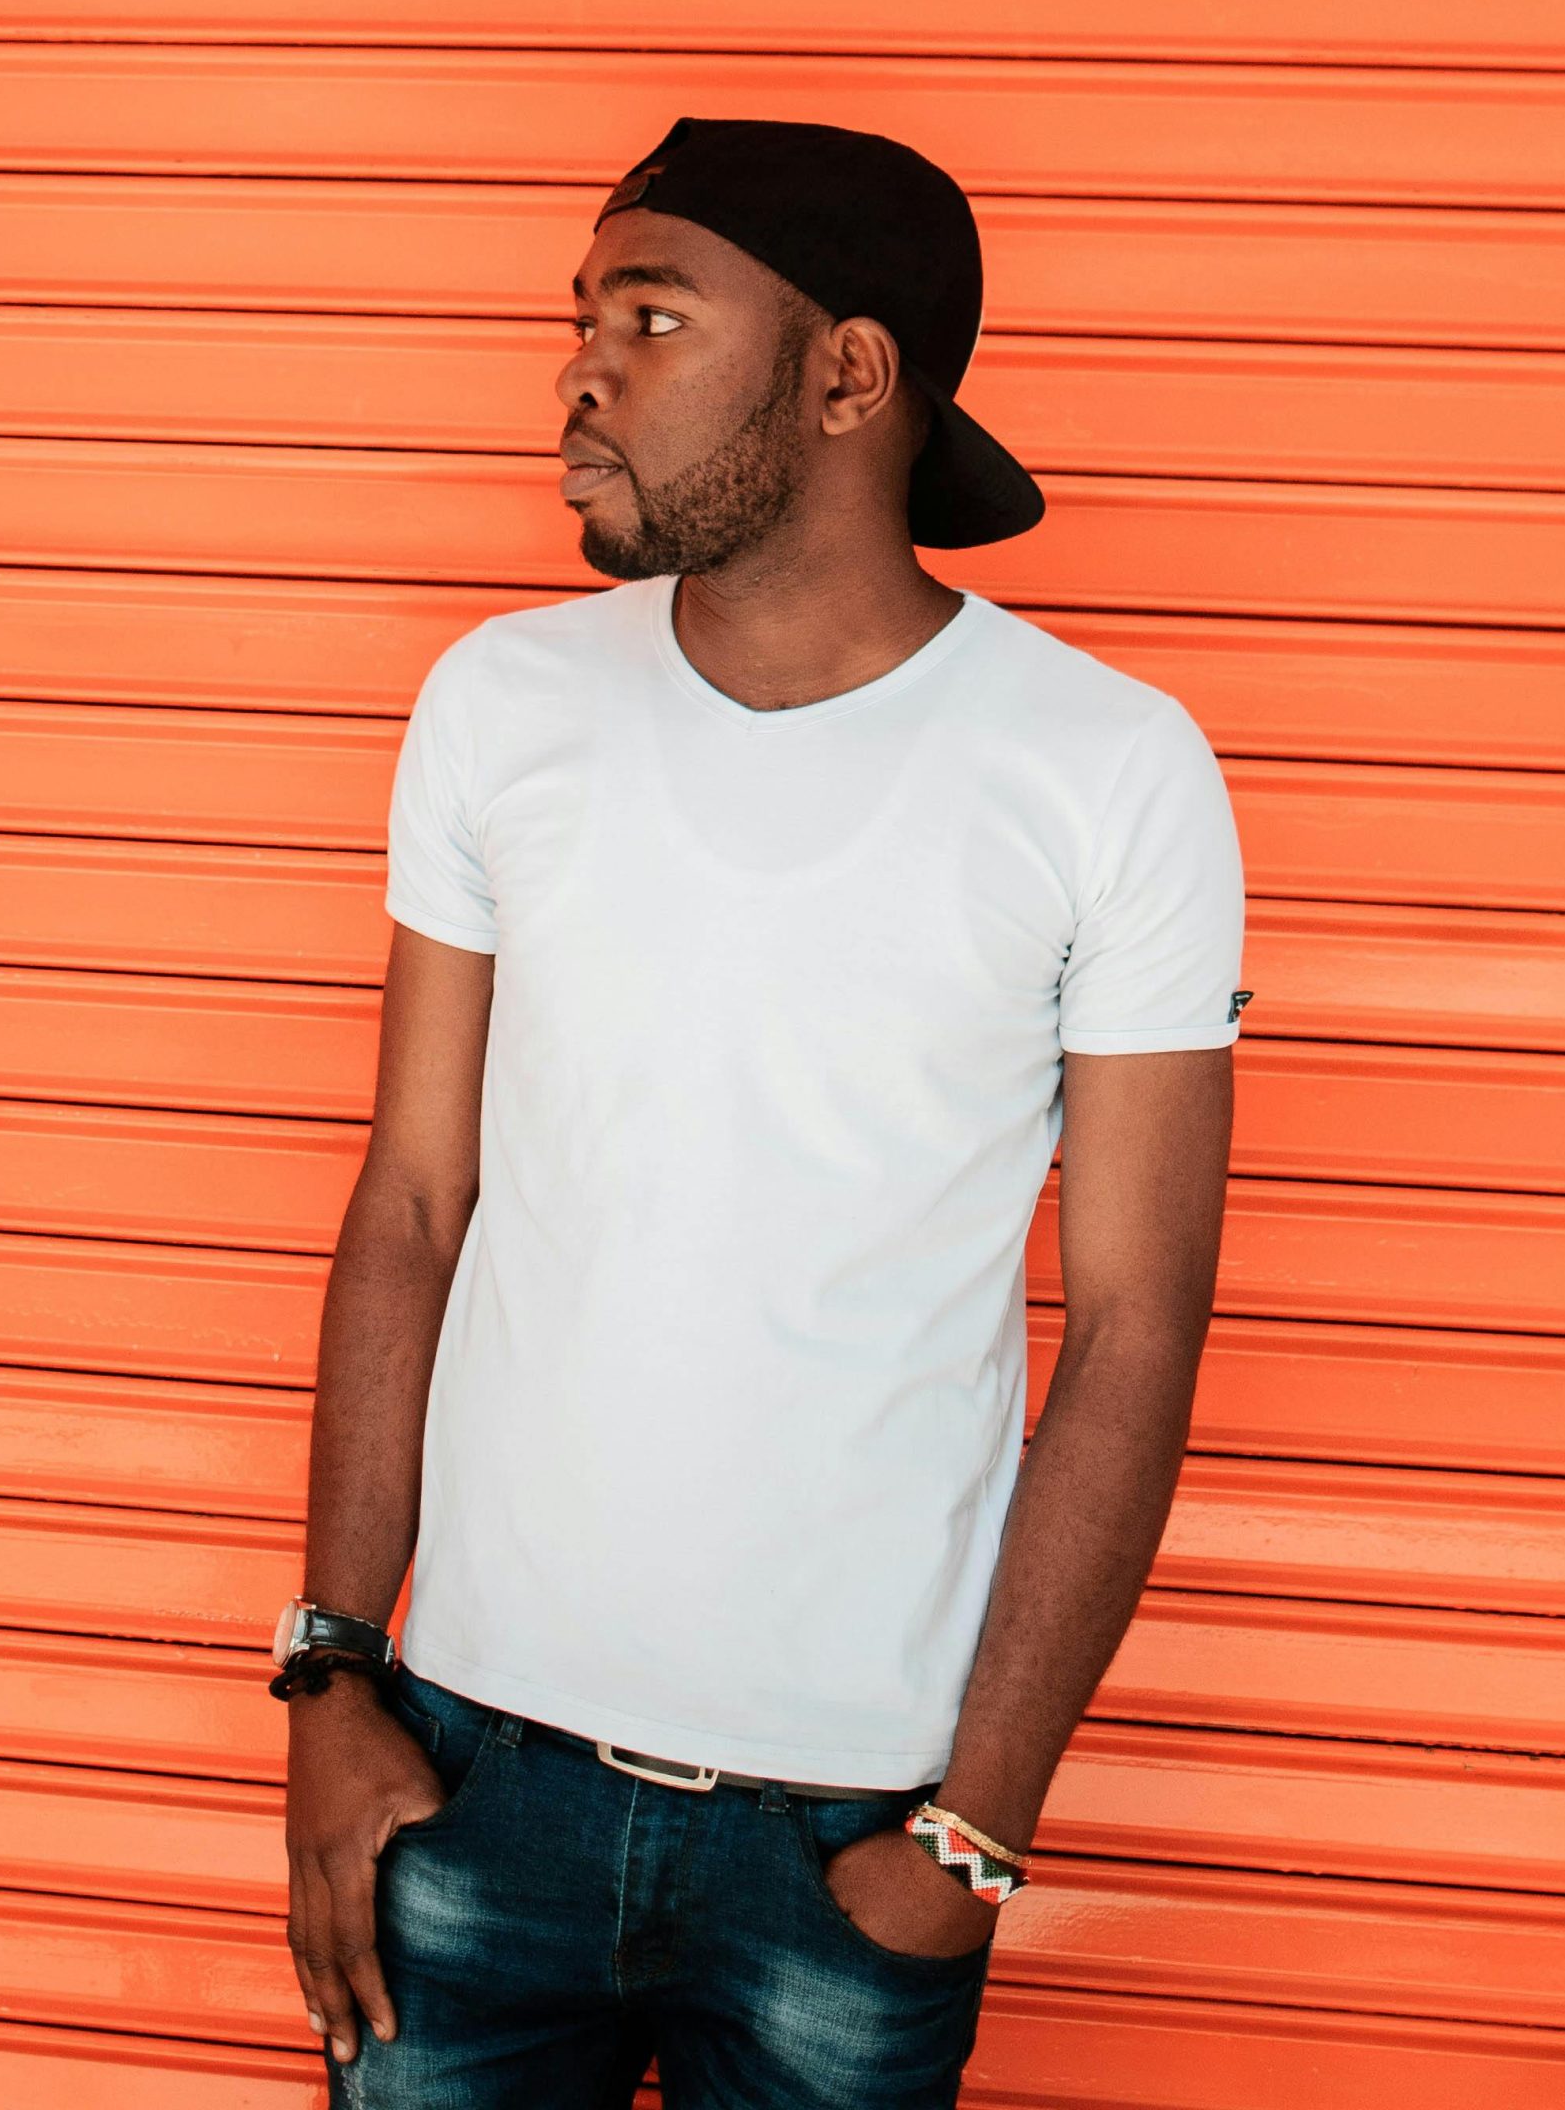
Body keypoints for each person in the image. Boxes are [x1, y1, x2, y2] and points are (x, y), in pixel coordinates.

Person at [277, 117, 1249, 2108]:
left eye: (653, 313)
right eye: (583, 315)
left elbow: (1138, 1318)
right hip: (469, 1777)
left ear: (847, 373)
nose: (580, 366)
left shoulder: (1107, 771)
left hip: (848, 1832)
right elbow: (413, 1199)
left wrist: (977, 1825)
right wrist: (331, 1670)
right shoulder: (501, 700)